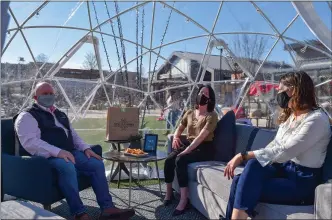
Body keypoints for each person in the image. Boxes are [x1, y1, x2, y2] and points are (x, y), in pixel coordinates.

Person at [14, 82, 135, 220]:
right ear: (35, 97)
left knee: (96, 164)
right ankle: (79, 213)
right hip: (46, 158)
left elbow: (73, 135)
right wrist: (58, 152)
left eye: (51, 93)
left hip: (69, 152)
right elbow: (30, 142)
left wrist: (86, 148)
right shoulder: (27, 116)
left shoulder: (59, 114)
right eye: (44, 94)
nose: (48, 96)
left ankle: (107, 208)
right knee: (67, 166)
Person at [223, 71, 331, 220]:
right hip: (284, 168)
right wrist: (250, 157)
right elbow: (275, 144)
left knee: (243, 181)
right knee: (251, 168)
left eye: (281, 91)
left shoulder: (317, 119)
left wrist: (243, 155)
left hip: (302, 181)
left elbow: (285, 151)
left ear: (296, 90)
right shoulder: (293, 115)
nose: (278, 95)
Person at [163, 85, 218, 216]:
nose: (202, 95)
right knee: (169, 160)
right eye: (201, 92)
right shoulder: (189, 112)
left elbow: (201, 137)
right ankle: (169, 193)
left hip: (204, 147)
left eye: (206, 93)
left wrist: (187, 150)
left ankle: (184, 200)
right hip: (189, 143)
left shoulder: (212, 115)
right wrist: (176, 136)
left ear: (210, 98)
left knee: (181, 160)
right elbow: (180, 127)